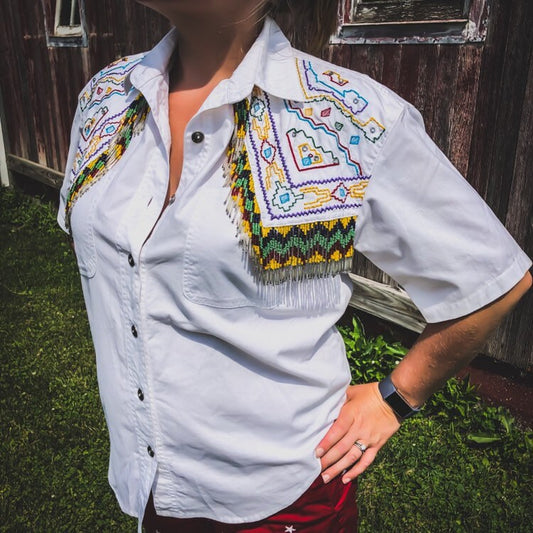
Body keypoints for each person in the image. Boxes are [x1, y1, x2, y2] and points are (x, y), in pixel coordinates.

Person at [57, 1, 532, 531]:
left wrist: (394, 398)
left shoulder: (350, 117)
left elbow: (493, 278)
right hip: (145, 481)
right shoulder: (106, 99)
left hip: (283, 496)